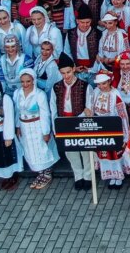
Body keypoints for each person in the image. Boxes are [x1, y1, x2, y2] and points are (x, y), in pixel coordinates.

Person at [49, 58, 93, 190]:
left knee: (85, 150)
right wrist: (56, 127)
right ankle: (78, 175)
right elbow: (53, 108)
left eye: (68, 72)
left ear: (73, 69)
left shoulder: (85, 86)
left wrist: (79, 119)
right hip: (64, 123)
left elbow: (89, 106)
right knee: (71, 151)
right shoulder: (56, 87)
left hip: (81, 121)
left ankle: (88, 176)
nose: (66, 76)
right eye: (63, 73)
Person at [14, 68, 59, 189]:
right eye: (23, 81)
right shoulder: (17, 93)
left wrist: (45, 132)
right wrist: (18, 126)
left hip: (37, 125)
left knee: (42, 149)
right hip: (24, 126)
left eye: (28, 81)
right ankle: (40, 172)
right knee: (30, 150)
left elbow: (45, 114)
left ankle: (47, 173)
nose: (25, 84)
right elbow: (17, 111)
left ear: (33, 80)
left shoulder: (39, 94)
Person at [86, 71, 130, 189]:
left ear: (109, 82)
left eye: (104, 83)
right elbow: (90, 107)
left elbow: (123, 115)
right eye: (99, 84)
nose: (101, 86)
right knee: (103, 153)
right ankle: (111, 175)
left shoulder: (115, 95)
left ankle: (118, 177)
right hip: (100, 127)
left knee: (114, 152)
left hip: (113, 127)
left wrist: (125, 135)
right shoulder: (95, 92)